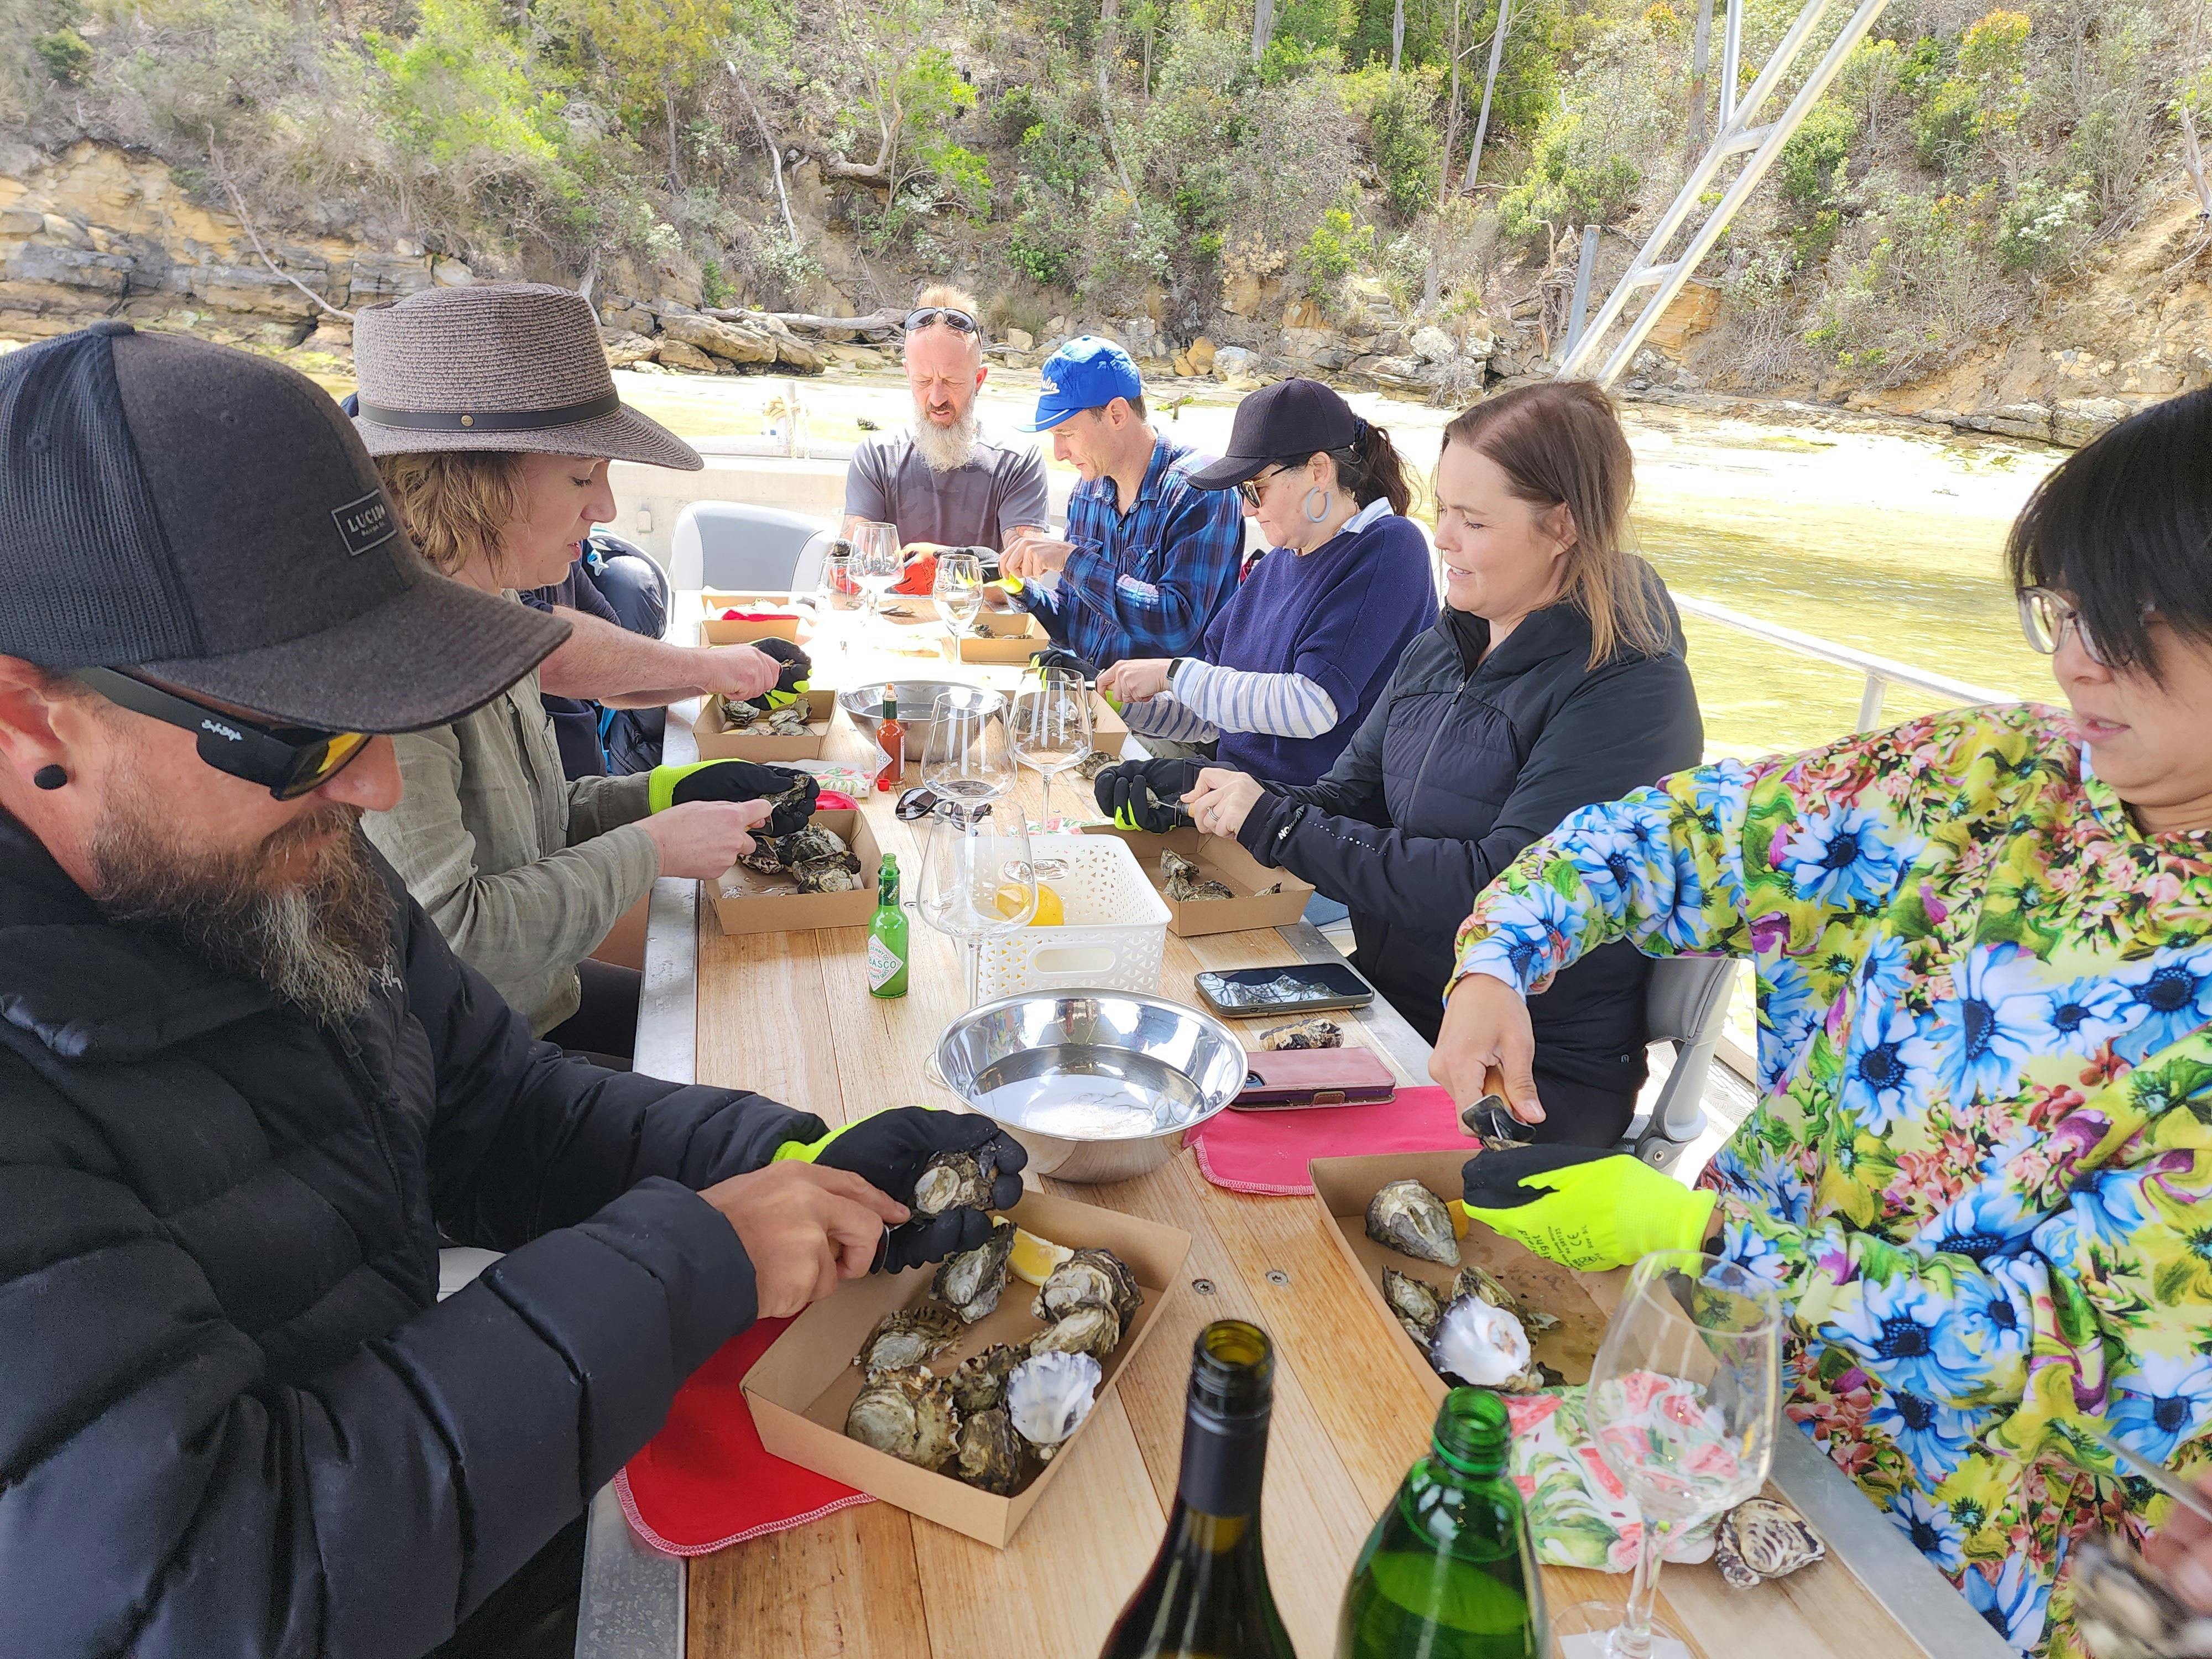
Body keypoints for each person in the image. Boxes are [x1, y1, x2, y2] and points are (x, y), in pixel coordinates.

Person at [0, 320, 1022, 1659]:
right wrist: (687, 1258)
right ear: (31, 720)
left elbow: (496, 1105)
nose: (371, 786)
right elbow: (219, 1583)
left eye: (386, 714)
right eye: (304, 732)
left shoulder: (266, 858)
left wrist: (798, 1160)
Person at [1433, 387, 2212, 1657]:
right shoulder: (1985, 779)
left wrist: (1706, 1229)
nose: (2073, 660)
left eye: (2122, 623)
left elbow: (2062, 1352)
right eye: (2061, 614)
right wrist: (1500, 958)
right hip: (1704, 1388)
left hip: (1929, 1554)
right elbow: (1681, 828)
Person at [1130, 382, 1700, 1145]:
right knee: (1174, 1086)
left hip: (1525, 1072)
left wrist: (1276, 822)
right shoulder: (1447, 641)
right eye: (1443, 514)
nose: (1444, 541)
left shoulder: (1631, 688)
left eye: (1474, 521)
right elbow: (1349, 797)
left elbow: (1495, 884)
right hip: (1386, 1001)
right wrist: (1203, 789)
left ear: (1561, 525)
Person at [352, 283, 812, 1064]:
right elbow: (458, 936)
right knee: (748, 1072)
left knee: (757, 1009)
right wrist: (656, 848)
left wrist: (668, 792)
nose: (604, 506)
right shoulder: (394, 674)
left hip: (535, 1003)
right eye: (581, 476)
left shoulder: (488, 616)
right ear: (473, 481)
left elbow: (524, 827)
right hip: (463, 1068)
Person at [1093, 378, 1433, 785]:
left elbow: (1313, 705)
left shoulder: (1388, 547)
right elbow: (1215, 715)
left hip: (1307, 822)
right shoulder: (1276, 563)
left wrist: (1172, 674)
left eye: (1256, 489)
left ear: (1319, 471)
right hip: (1231, 799)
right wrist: (1121, 701)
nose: (1249, 511)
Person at [998, 336, 1246, 672]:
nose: (1058, 453)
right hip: (1089, 699)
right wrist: (1015, 584)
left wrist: (1070, 559)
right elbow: (1074, 624)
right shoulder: (1085, 495)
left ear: (1116, 414)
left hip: (1162, 711)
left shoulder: (1201, 488)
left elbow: (1178, 627)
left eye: (1066, 433)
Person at [842, 283, 1048, 551]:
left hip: (983, 596)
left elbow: (1024, 574)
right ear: (907, 375)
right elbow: (850, 565)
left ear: (978, 380)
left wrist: (940, 560)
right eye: (924, 381)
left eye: (951, 382)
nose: (937, 399)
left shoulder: (1017, 463)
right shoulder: (878, 458)